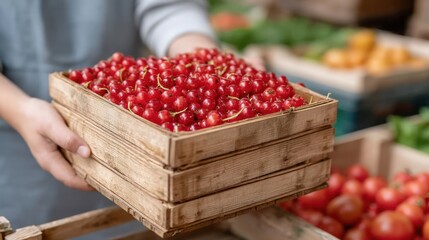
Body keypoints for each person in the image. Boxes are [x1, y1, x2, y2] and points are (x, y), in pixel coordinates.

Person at [0, 0, 218, 237]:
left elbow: (168, 6)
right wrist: (20, 111)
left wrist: (201, 58)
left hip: (131, 139)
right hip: (16, 150)